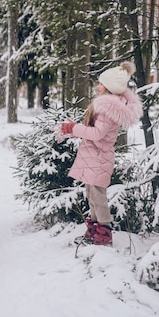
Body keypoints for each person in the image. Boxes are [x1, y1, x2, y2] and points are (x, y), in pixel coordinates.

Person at [60, 61, 143, 246]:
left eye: (101, 84)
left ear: (108, 88)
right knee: (92, 193)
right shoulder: (107, 106)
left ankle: (104, 232)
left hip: (99, 157)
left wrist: (74, 129)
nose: (98, 86)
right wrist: (77, 130)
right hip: (95, 156)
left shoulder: (107, 109)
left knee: (98, 196)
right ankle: (94, 230)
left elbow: (97, 135)